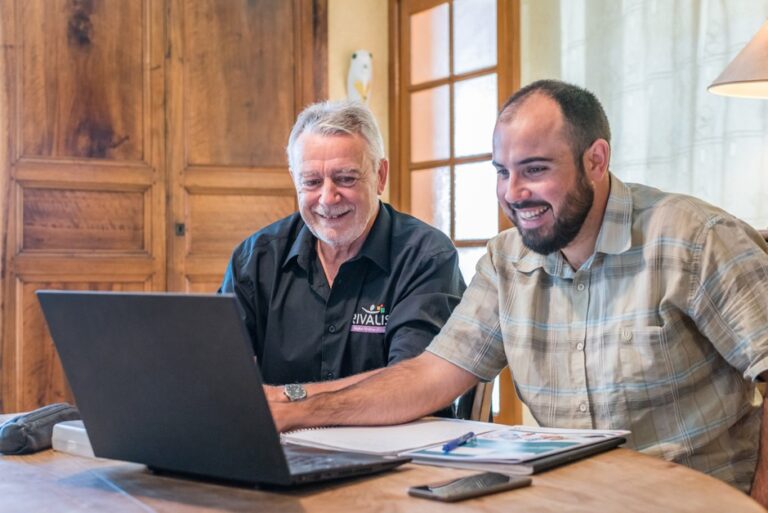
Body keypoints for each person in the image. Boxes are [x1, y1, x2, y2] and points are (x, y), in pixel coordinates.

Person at [270, 80, 768, 502]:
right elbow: (427, 377)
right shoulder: (507, 261)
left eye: (535, 170)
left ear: (596, 160)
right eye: (502, 172)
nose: (513, 193)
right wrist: (295, 409)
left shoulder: (695, 240)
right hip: (571, 500)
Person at [219, 100, 465, 407]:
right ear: (294, 180)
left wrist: (290, 400)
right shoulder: (255, 259)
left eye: (346, 178)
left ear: (380, 176)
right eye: (311, 182)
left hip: (397, 437)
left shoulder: (426, 258)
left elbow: (411, 386)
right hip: (283, 438)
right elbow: (219, 371)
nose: (327, 198)